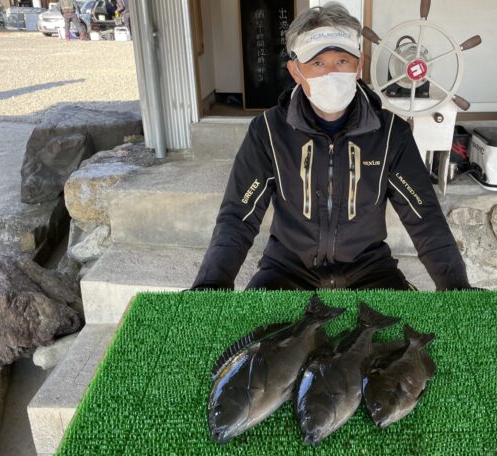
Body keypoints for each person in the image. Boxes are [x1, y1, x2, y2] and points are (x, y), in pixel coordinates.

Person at [191, 2, 471, 291]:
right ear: (295, 71)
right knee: (251, 321)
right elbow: (238, 215)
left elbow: (424, 215)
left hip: (370, 270)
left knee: (408, 322)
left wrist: (456, 286)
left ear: (359, 65)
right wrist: (212, 282)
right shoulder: (268, 131)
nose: (331, 73)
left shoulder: (391, 133)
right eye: (317, 63)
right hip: (287, 269)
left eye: (342, 61)